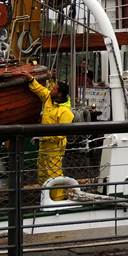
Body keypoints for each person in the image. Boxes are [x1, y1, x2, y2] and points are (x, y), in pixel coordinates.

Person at [25, 73, 74, 201]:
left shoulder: (65, 112)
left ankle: (58, 199)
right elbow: (40, 90)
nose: (51, 89)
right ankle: (45, 196)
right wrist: (31, 80)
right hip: (44, 144)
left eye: (54, 88)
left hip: (55, 147)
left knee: (54, 172)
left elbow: (59, 135)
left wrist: (42, 137)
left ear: (59, 94)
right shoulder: (48, 98)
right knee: (42, 171)